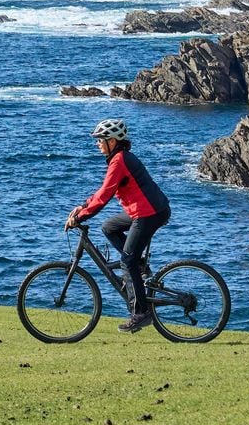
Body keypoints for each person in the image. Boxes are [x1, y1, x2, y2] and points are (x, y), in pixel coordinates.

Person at [66, 118, 171, 333]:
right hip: (144, 210)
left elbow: (104, 196)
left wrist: (80, 218)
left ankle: (141, 313)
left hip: (149, 213)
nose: (97, 144)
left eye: (100, 140)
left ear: (112, 141)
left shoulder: (119, 161)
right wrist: (83, 206)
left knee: (126, 261)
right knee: (109, 227)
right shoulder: (118, 159)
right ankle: (139, 266)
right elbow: (104, 189)